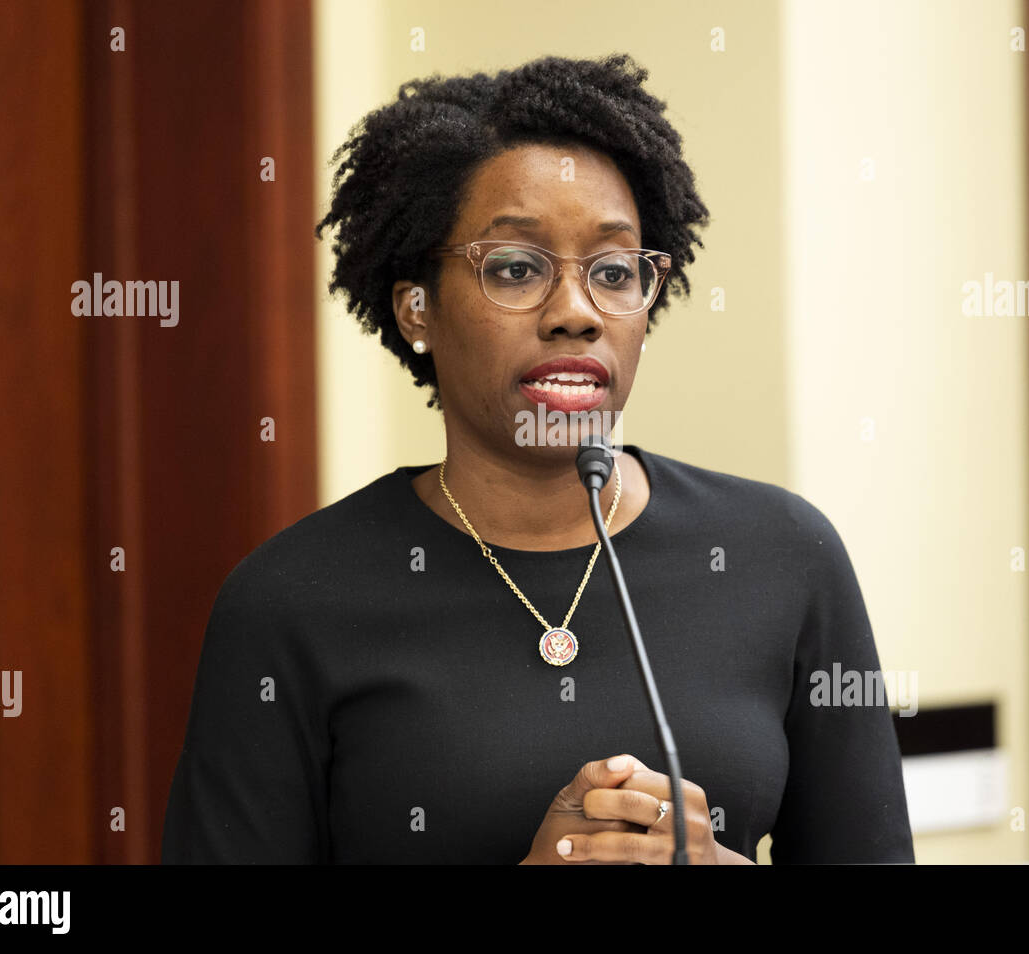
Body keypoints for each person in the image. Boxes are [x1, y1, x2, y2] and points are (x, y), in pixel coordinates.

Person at [160, 52, 914, 865]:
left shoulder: (785, 554)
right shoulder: (290, 602)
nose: (576, 313)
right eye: (516, 269)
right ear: (417, 310)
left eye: (615, 271)